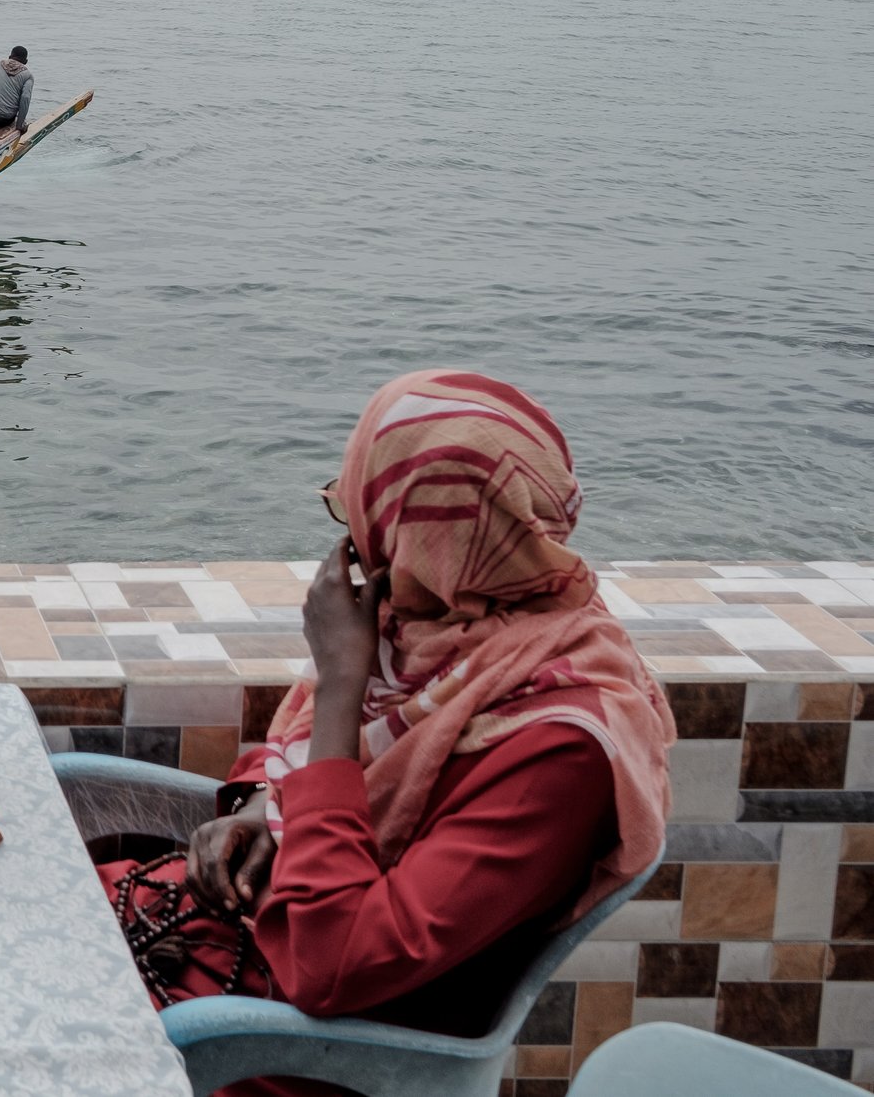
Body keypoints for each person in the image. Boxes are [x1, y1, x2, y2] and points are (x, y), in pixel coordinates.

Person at [98, 371, 672, 1088]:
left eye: (360, 513)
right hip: (206, 943)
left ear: (428, 540)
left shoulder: (561, 748)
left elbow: (332, 962)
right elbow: (306, 768)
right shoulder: (446, 632)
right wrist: (256, 811)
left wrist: (339, 685)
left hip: (272, 1044)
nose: (352, 539)